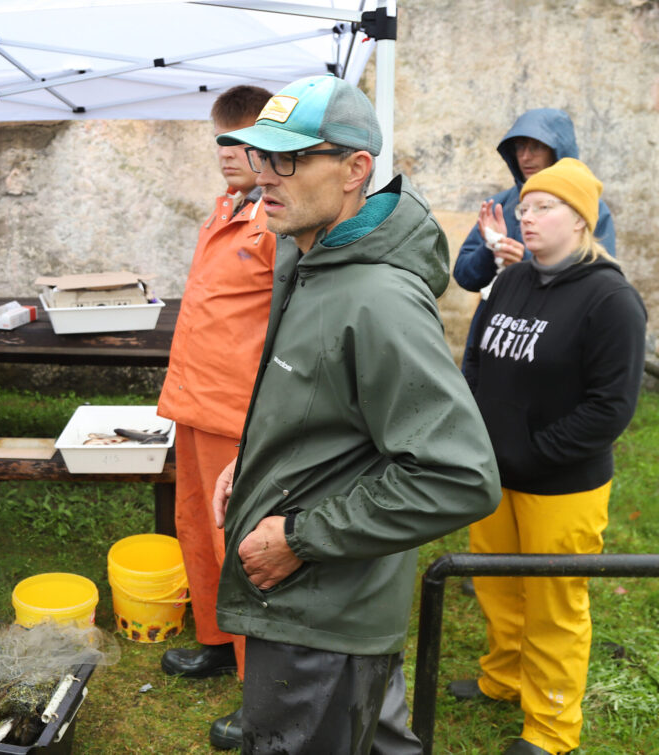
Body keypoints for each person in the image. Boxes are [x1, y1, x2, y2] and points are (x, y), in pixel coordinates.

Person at [209, 74, 502, 754]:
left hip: (322, 610)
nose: (264, 178)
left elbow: (458, 476)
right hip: (318, 606)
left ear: (355, 169)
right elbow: (330, 410)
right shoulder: (309, 255)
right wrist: (253, 463)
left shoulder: (377, 299)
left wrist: (302, 537)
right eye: (260, 157)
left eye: (287, 159)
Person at [449, 158, 646, 755]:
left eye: (543, 207)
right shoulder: (511, 279)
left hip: (561, 487)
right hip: (494, 475)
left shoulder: (611, 301)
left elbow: (609, 408)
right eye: (524, 206)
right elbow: (477, 356)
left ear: (581, 221)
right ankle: (504, 678)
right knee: (498, 588)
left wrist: (532, 456)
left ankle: (552, 731)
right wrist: (481, 438)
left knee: (555, 605)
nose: (525, 217)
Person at [154, 84, 275, 749]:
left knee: (243, 543)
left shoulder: (279, 222)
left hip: (240, 412)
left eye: (243, 138)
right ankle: (217, 640)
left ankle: (263, 686)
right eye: (221, 139)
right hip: (193, 403)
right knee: (196, 527)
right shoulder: (226, 208)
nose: (228, 151)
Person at [453, 108, 616, 376]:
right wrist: (492, 249)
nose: (525, 156)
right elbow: (464, 275)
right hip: (495, 335)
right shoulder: (501, 205)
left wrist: (525, 264)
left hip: (555, 339)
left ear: (558, 150)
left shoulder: (589, 208)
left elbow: (599, 277)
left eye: (536, 147)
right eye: (519, 147)